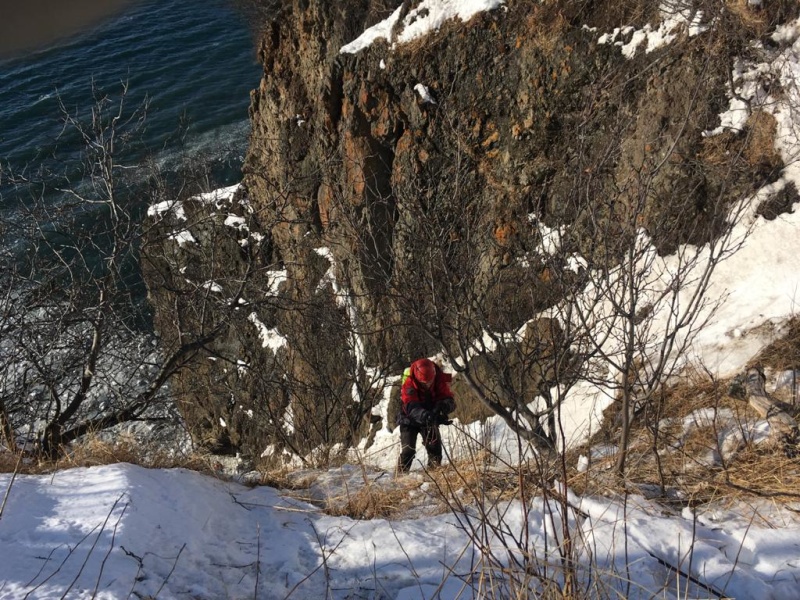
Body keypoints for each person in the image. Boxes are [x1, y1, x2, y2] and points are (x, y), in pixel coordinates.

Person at [397, 358, 456, 472]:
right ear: (418, 379)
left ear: (434, 374)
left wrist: (443, 408)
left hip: (429, 419)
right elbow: (411, 406)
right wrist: (425, 415)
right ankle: (399, 477)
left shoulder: (439, 379)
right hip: (409, 421)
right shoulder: (409, 383)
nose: (428, 385)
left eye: (430, 381)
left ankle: (434, 477)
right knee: (408, 451)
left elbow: (449, 399)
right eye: (424, 383)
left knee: (435, 451)